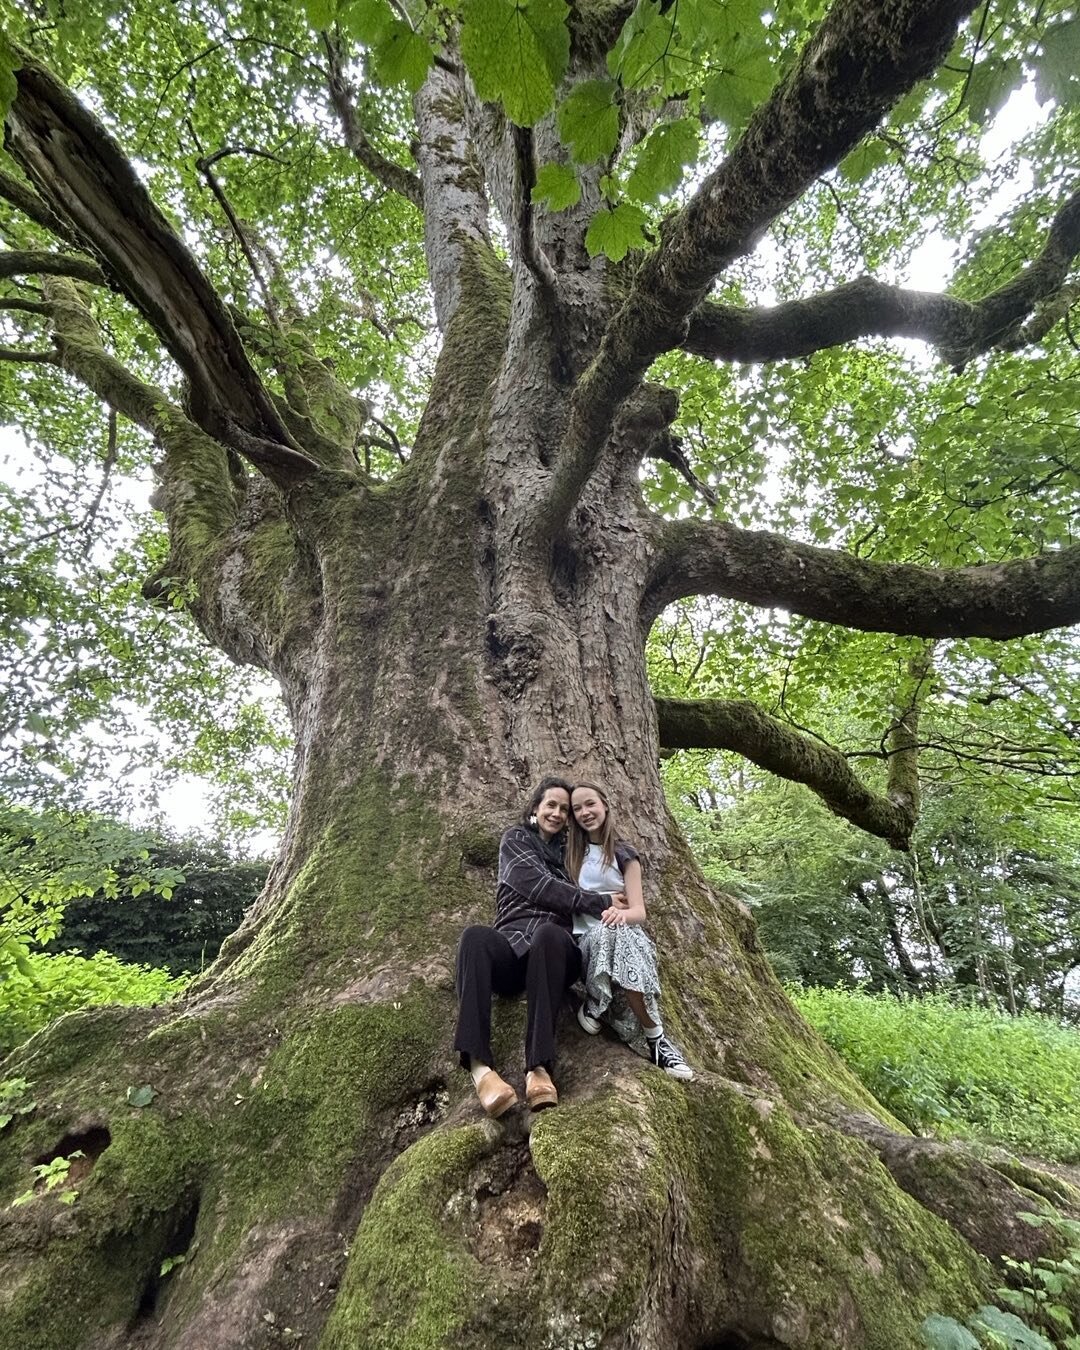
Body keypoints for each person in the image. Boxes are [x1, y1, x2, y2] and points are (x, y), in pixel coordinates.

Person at [453, 776, 616, 1117]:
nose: (557, 813)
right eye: (550, 805)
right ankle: (481, 1069)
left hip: (554, 951)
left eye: (563, 809)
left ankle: (537, 1068)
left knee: (546, 934)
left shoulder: (574, 855)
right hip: (511, 947)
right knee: (474, 938)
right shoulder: (515, 840)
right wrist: (599, 901)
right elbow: (539, 887)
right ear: (534, 809)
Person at [566, 780, 694, 1080]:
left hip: (625, 934)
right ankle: (609, 1007)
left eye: (590, 804)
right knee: (607, 933)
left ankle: (655, 1039)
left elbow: (638, 910)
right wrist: (602, 906)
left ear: (605, 805)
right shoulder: (570, 853)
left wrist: (620, 915)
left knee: (619, 934)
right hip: (586, 941)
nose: (585, 812)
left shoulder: (624, 854)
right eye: (577, 808)